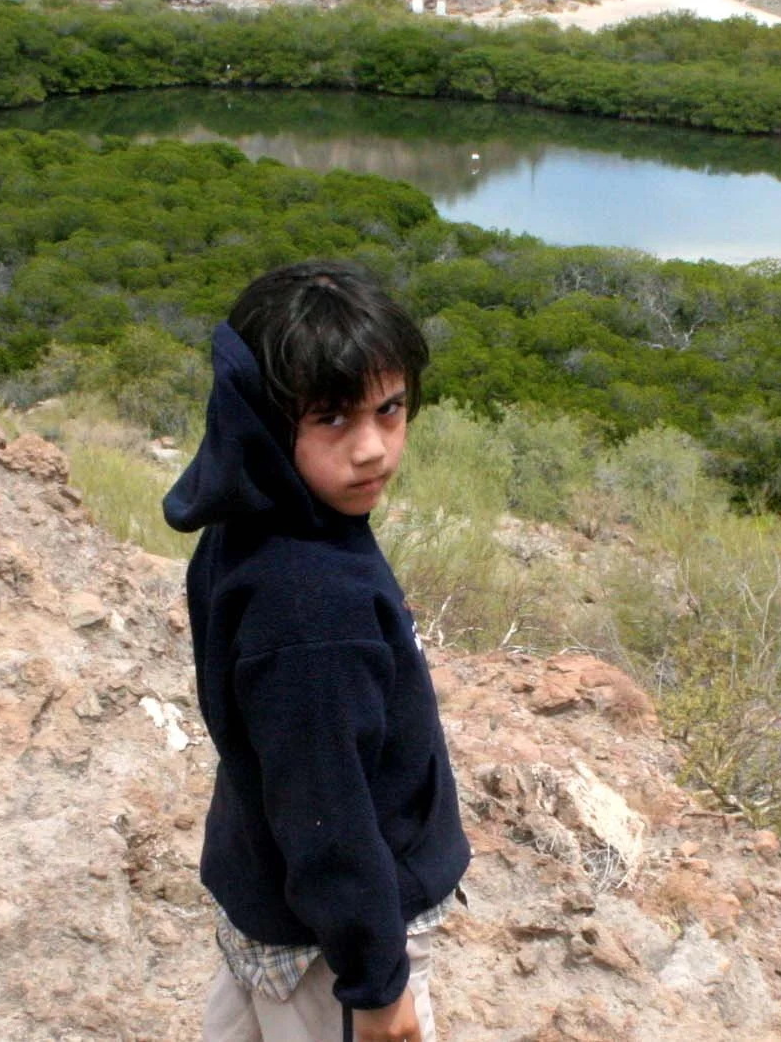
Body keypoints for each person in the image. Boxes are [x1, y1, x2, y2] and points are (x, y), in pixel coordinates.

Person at [163, 261, 471, 1042]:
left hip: (268, 894)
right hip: (327, 949)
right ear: (265, 419)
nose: (372, 447)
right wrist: (376, 989)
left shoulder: (249, 519)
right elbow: (327, 807)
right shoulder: (312, 601)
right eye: (332, 418)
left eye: (390, 408)